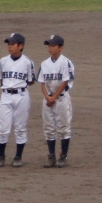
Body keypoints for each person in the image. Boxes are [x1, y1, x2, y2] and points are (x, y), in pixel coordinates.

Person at [0, 32, 35, 168]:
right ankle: (1, 156)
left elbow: (31, 80)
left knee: (20, 128)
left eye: (12, 44)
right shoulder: (3, 61)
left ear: (21, 46)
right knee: (2, 128)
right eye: (9, 44)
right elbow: (1, 79)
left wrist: (18, 86)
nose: (9, 47)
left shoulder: (27, 62)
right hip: (5, 95)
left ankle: (18, 157)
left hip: (21, 96)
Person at [37, 35, 74, 168]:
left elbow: (65, 82)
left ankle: (63, 157)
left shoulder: (65, 62)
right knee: (49, 128)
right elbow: (42, 82)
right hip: (48, 100)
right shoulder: (44, 63)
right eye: (49, 46)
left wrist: (54, 97)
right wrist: (47, 97)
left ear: (60, 47)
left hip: (61, 99)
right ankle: (51, 156)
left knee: (64, 128)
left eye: (53, 46)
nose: (50, 48)